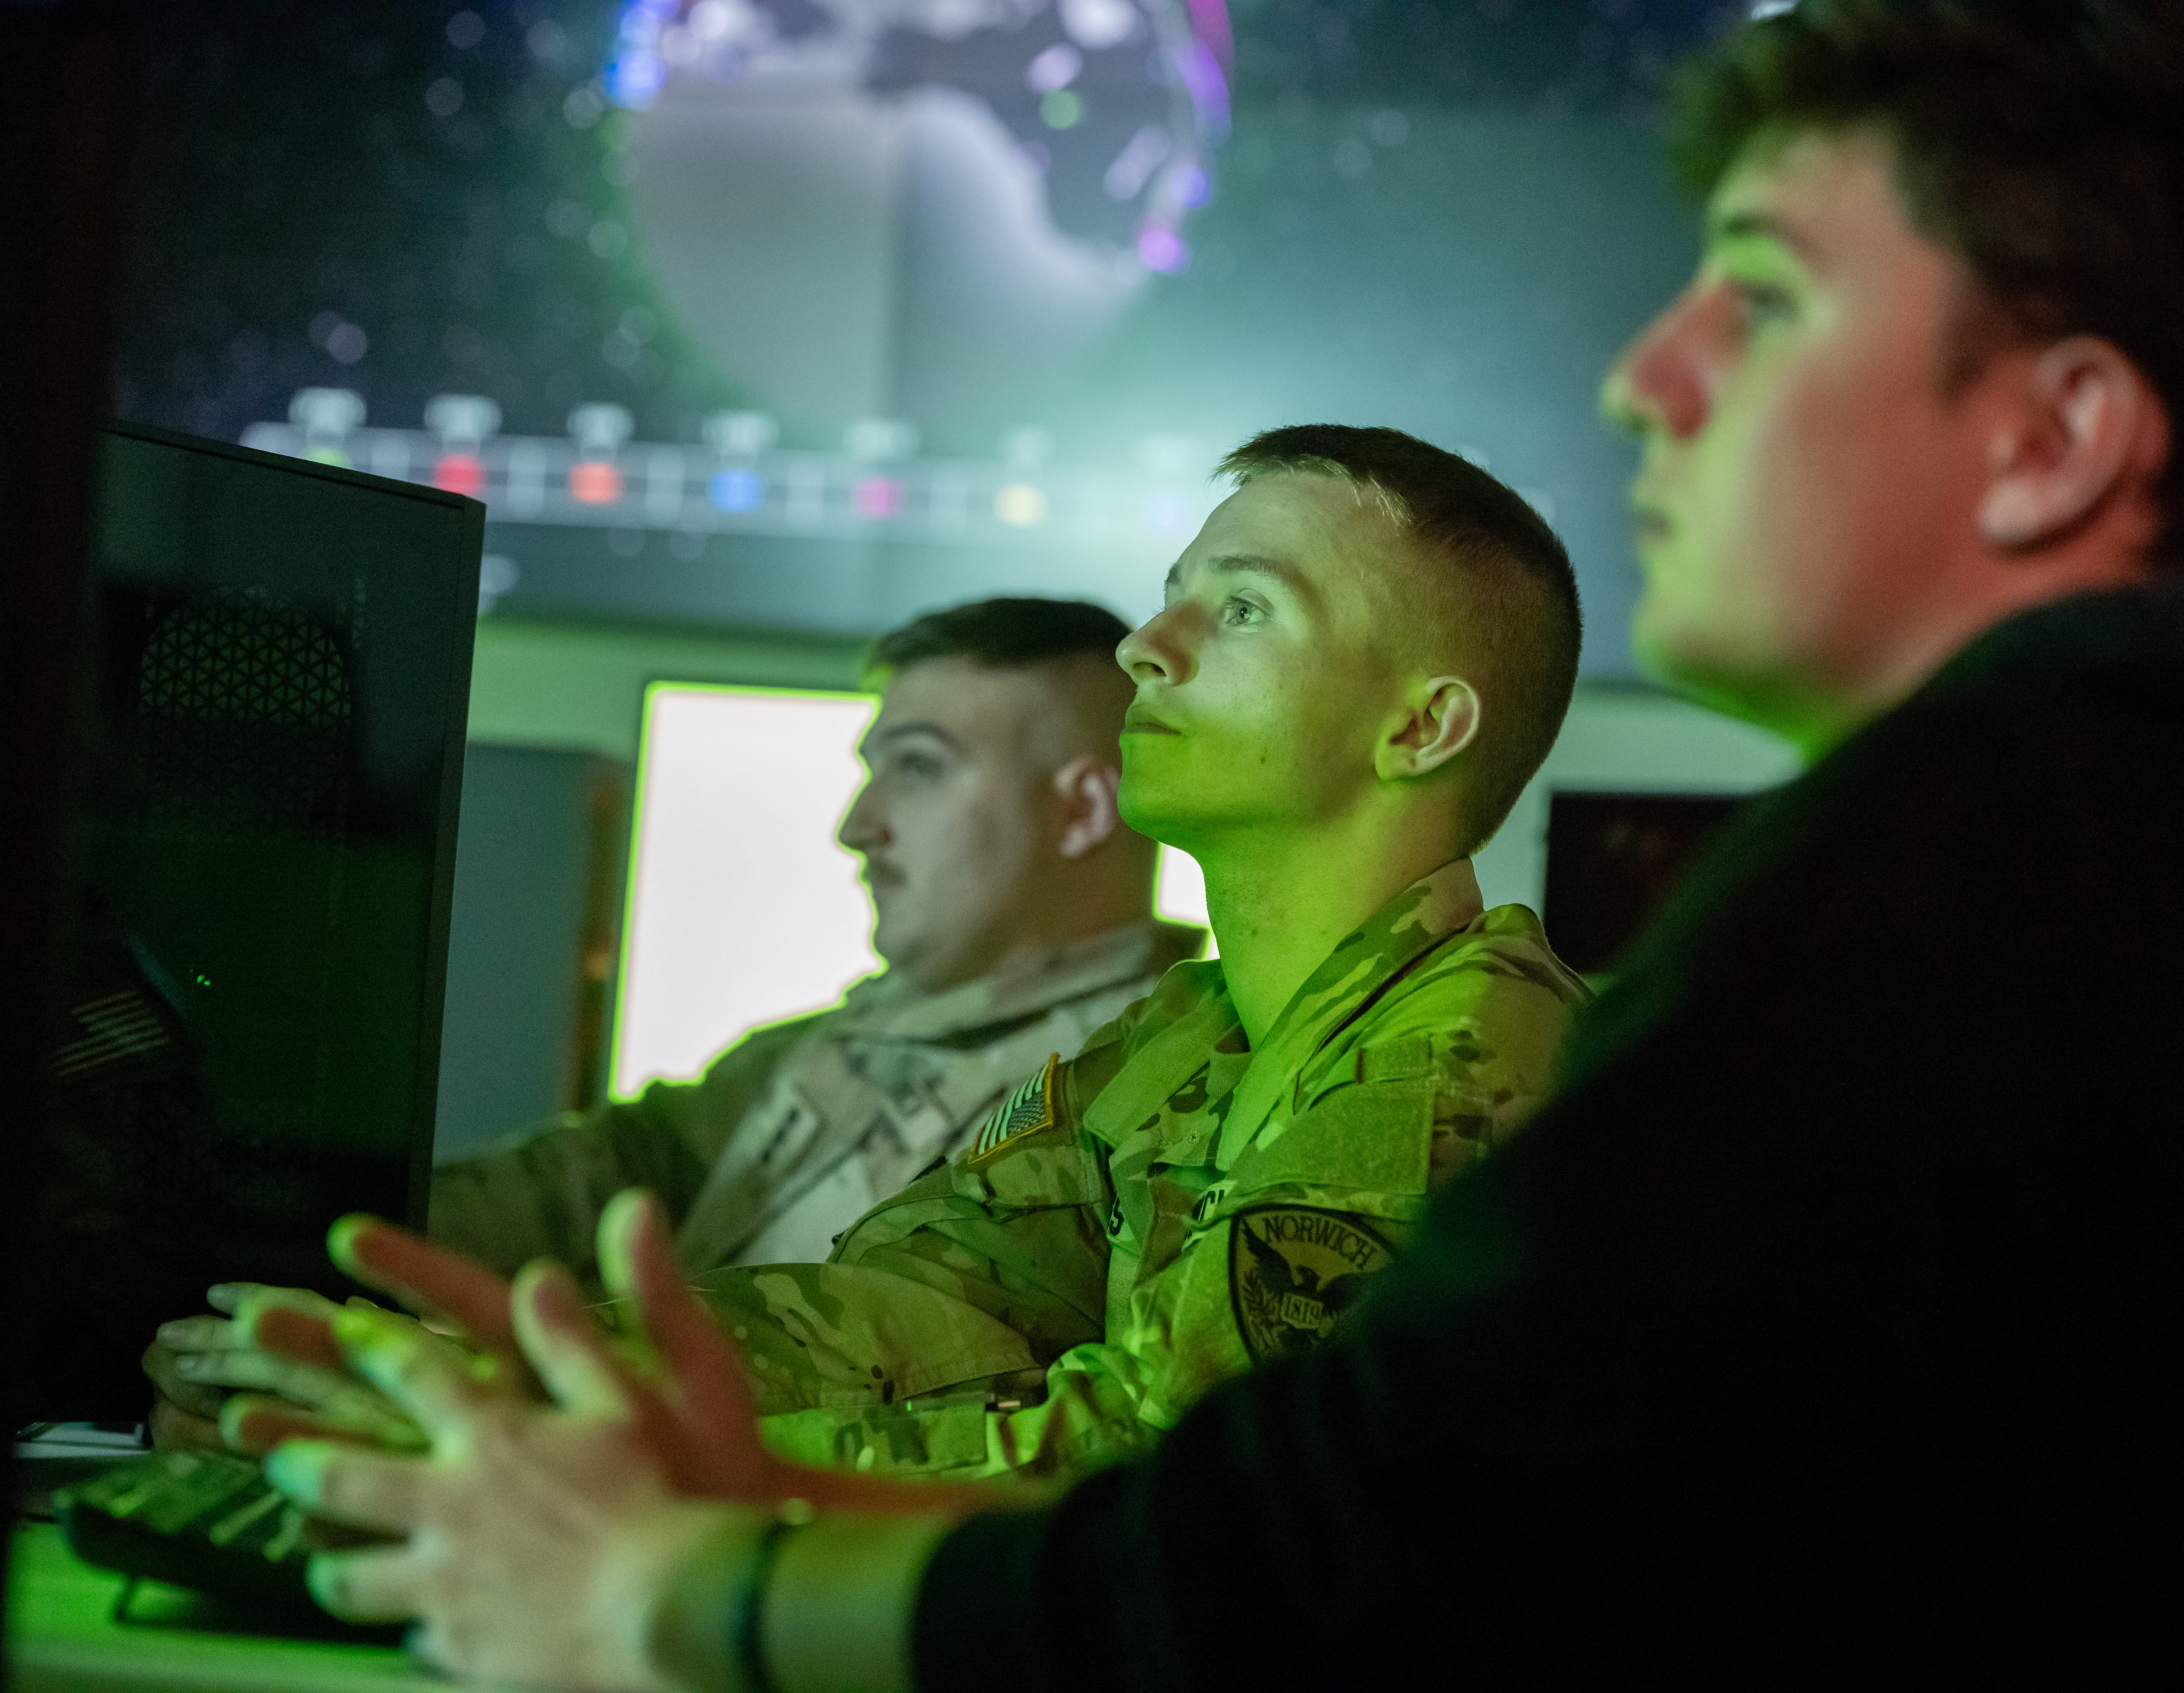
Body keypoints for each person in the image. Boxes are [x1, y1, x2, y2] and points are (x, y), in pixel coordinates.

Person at [248, 1, 2184, 1682]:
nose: (1642, 375)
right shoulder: (2095, 863)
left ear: (2054, 438)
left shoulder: (1955, 882)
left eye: (1755, 301)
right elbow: (965, 1326)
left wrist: (679, 1586)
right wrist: (528, 1399)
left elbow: (1298, 1562)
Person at [222, 425, 1590, 1488]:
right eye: (1174, 597)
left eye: (1243, 611)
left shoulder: (1455, 1057)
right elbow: (924, 1301)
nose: (1144, 648)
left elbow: (1156, 1466)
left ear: (1422, 727)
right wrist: (478, 1377)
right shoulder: (1190, 1028)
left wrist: (586, 1438)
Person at [142, 596, 1201, 1450]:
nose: (857, 825)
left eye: (917, 767)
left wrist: (438, 1380)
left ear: (1083, 810)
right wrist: (279, 1259)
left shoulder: (1157, 1079)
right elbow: (586, 1184)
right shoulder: (821, 1052)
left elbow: (917, 1339)